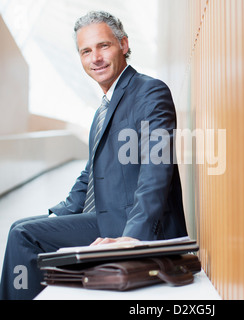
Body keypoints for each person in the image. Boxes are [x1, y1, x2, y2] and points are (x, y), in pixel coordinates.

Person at [0, 11, 187, 300]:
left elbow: (156, 168)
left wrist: (132, 237)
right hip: (106, 216)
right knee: (19, 226)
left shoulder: (150, 93)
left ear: (124, 45)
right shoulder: (105, 107)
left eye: (104, 46)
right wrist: (58, 214)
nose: (95, 58)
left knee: (23, 236)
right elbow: (91, 172)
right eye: (86, 51)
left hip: (130, 225)